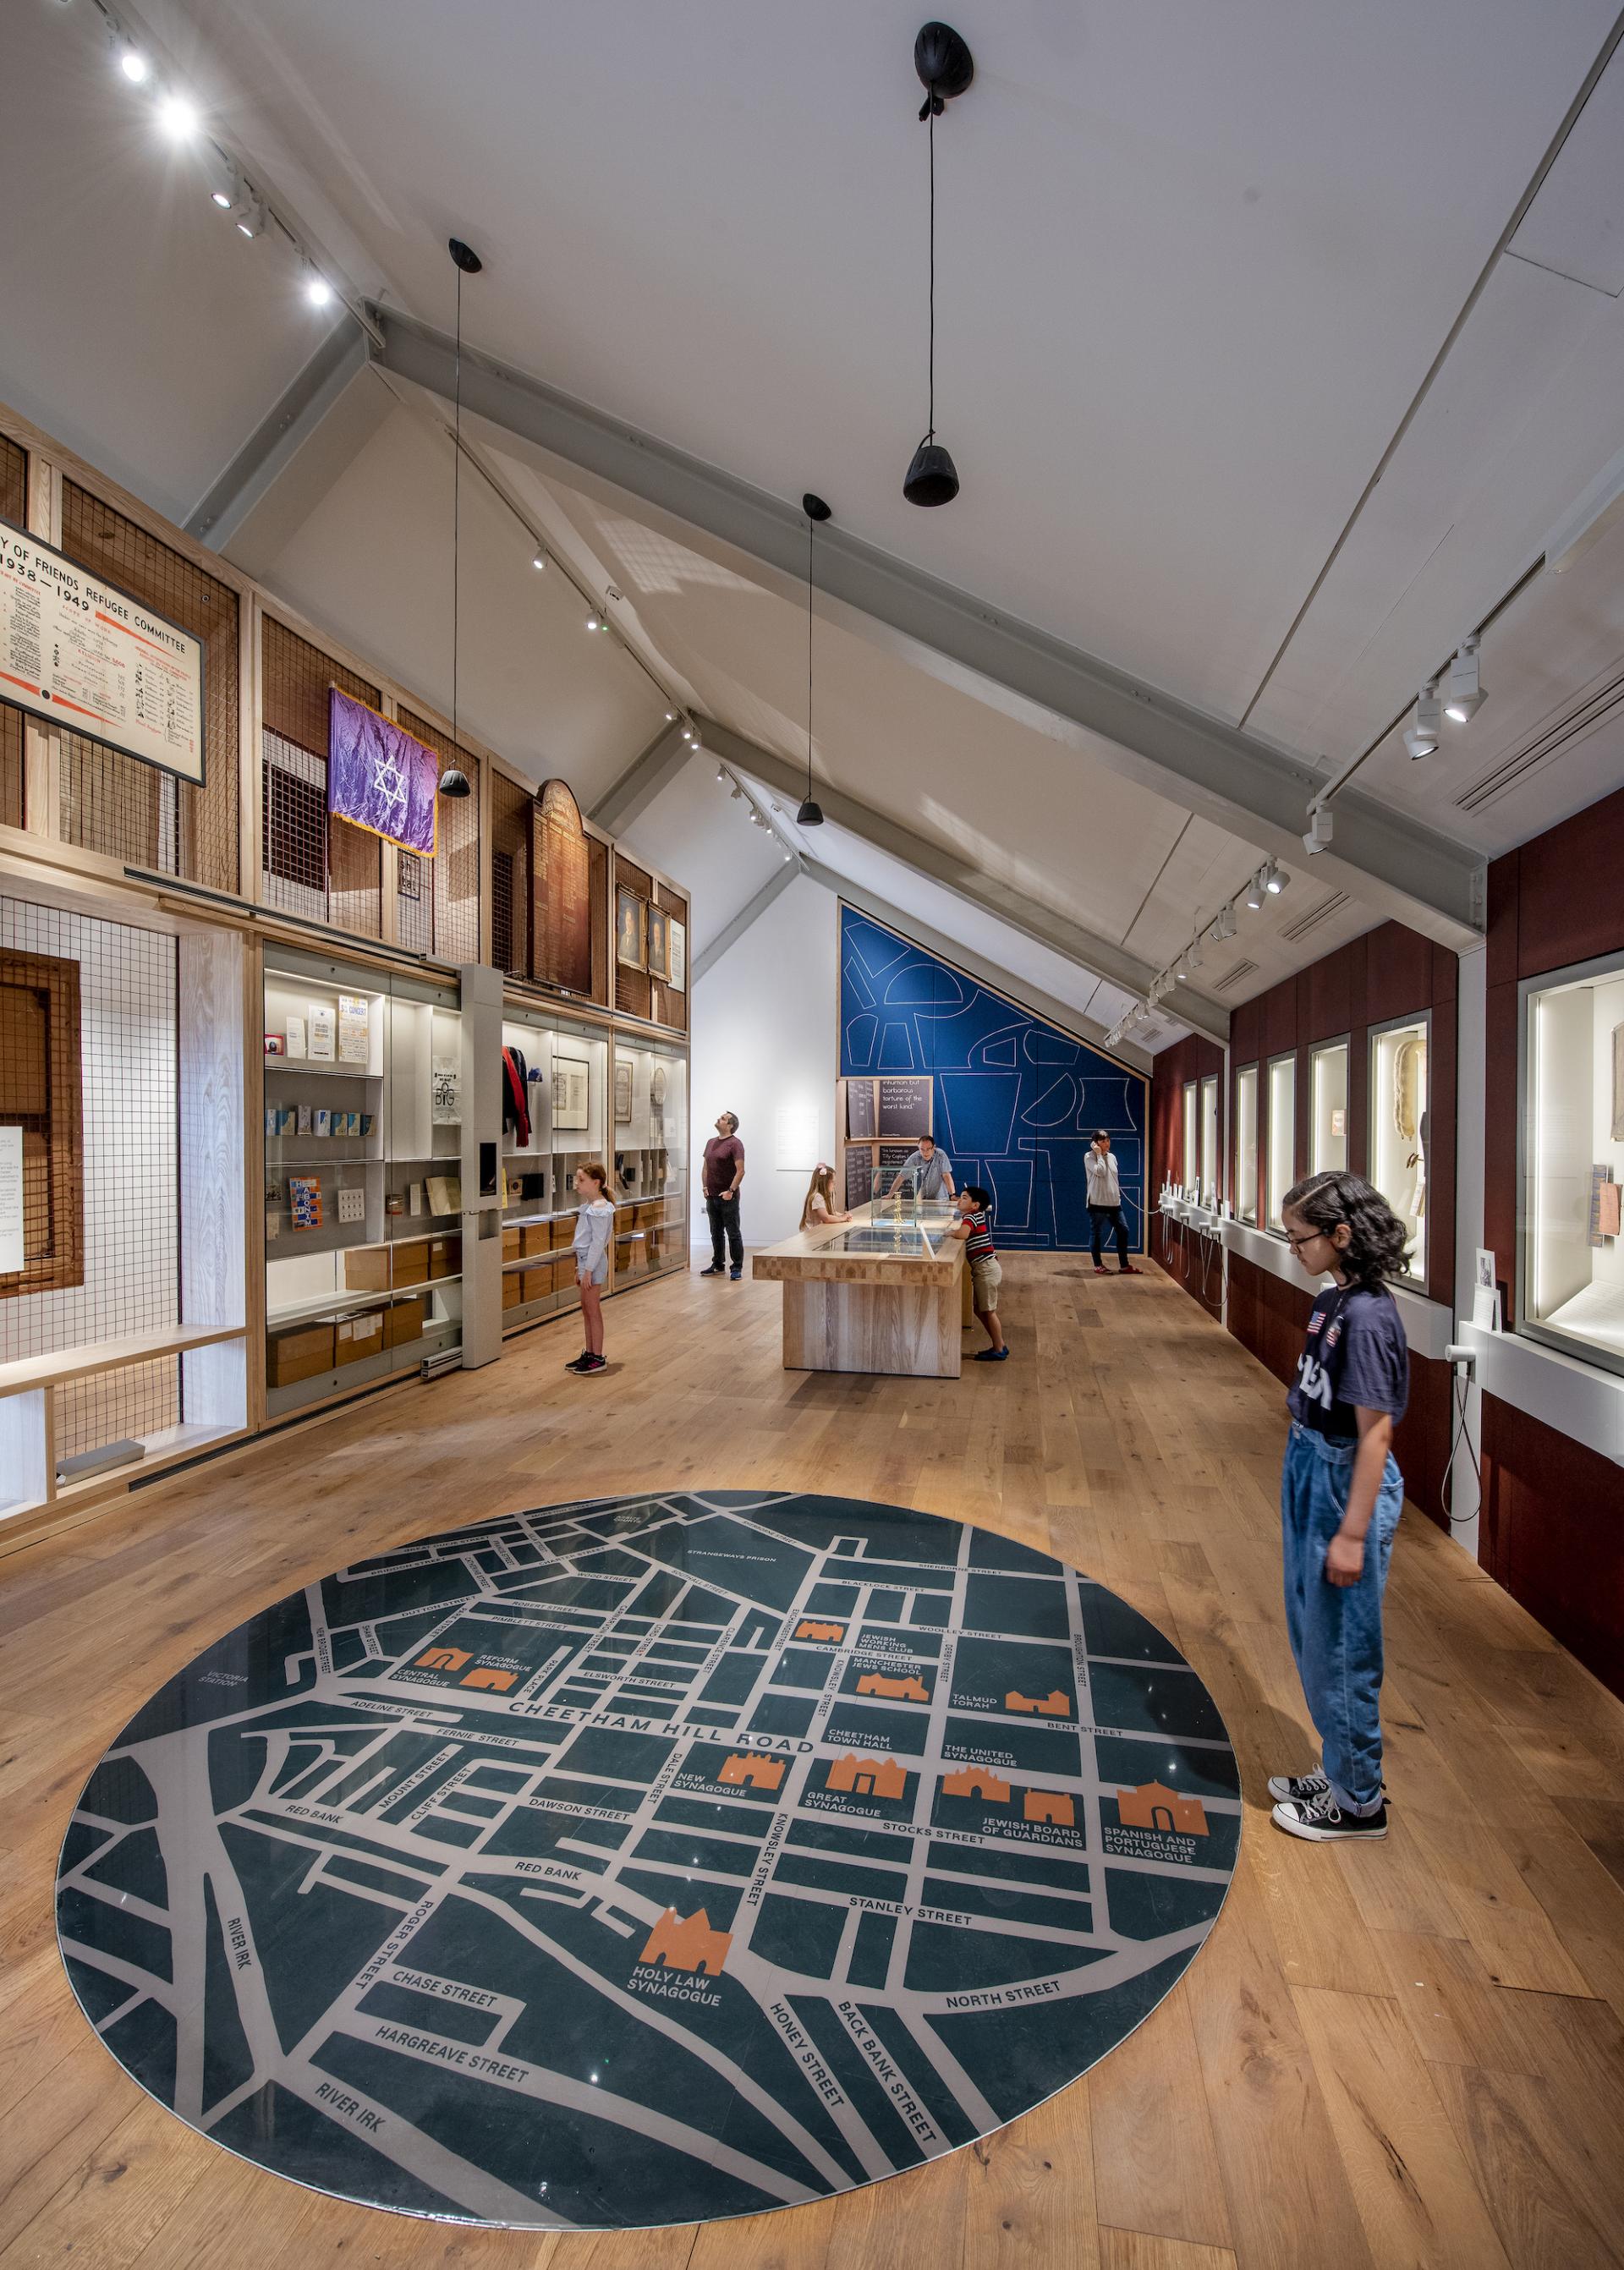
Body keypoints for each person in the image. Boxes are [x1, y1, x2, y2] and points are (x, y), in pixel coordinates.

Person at [1270, 1170, 1409, 1843]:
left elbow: (1376, 1432)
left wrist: (1353, 1533)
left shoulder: (1371, 1316)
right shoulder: (1335, 1300)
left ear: (1340, 1234)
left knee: (1344, 1645)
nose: (1294, 1248)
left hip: (1340, 1480)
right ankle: (1342, 1767)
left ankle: (1359, 1803)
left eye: (1300, 1238)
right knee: (1313, 1634)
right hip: (1310, 1465)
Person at [567, 1161, 616, 1374]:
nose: (577, 1184)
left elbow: (597, 1243)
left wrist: (587, 1270)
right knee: (586, 1309)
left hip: (592, 1263)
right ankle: (590, 1352)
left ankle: (597, 1356)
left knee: (592, 1310)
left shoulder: (600, 1209)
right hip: (586, 1262)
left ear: (596, 1183)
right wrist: (581, 1267)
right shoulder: (591, 1208)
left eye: (582, 1180)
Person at [948, 1184, 1007, 1361]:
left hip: (986, 1269)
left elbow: (963, 1235)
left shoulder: (971, 1218)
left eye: (965, 1198)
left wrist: (951, 1232)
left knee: (988, 1311)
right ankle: (1000, 1345)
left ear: (975, 1205)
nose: (960, 1199)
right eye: (961, 1196)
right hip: (985, 1269)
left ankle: (999, 1348)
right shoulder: (973, 1216)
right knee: (979, 1309)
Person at [1085, 1130, 1140, 1275]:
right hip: (1097, 1202)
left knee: (1124, 1230)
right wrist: (1099, 1154)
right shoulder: (1089, 1157)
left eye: (1108, 1140)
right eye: (1103, 1141)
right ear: (1095, 1143)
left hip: (1114, 1202)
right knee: (1096, 1233)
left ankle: (1124, 1265)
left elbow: (1113, 1178)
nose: (1106, 1143)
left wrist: (1117, 1195)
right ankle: (1098, 1265)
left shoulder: (1113, 1157)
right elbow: (1101, 1171)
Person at [700, 1111, 745, 1280]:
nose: (719, 1119)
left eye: (723, 1118)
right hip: (711, 1195)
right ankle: (718, 1264)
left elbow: (740, 1171)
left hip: (728, 1197)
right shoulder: (710, 1142)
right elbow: (705, 1167)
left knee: (733, 1232)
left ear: (730, 1125)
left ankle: (737, 1267)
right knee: (716, 1232)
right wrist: (704, 1187)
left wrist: (731, 1191)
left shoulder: (735, 1144)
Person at [884, 1132, 955, 1203]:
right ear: (918, 1148)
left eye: (928, 1149)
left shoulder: (940, 1155)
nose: (925, 1152)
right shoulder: (914, 1158)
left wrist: (952, 1195)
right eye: (922, 1149)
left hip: (940, 1199)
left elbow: (946, 1175)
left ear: (934, 1147)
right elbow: (901, 1176)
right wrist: (890, 1195)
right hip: (922, 1200)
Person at [799, 1164, 851, 1231]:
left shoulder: (825, 1196)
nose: (834, 1184)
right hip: (811, 1234)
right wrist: (842, 1218)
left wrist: (843, 1215)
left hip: (817, 1232)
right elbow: (826, 1218)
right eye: (832, 1182)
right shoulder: (817, 1197)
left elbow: (832, 1212)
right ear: (824, 1183)